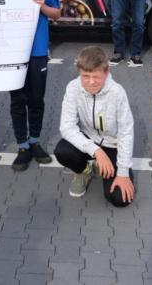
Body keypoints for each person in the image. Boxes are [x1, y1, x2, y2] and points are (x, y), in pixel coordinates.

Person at [0, 0, 61, 171]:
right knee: (17, 100)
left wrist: (42, 5)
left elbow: (57, 13)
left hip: (37, 52)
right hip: (14, 53)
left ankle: (35, 141)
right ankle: (22, 145)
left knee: (36, 99)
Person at [54, 46, 135, 207]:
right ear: (79, 72)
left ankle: (102, 165)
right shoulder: (73, 88)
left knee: (119, 199)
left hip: (112, 145)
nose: (91, 82)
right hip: (90, 141)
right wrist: (96, 151)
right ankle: (85, 171)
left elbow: (126, 133)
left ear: (106, 72)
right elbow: (67, 127)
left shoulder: (117, 92)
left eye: (96, 76)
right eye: (86, 76)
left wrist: (123, 173)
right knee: (62, 151)